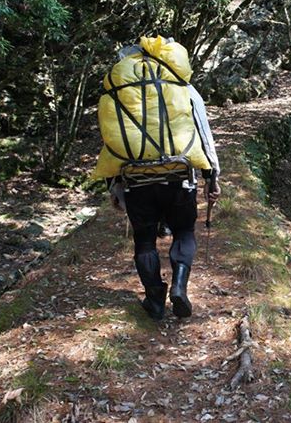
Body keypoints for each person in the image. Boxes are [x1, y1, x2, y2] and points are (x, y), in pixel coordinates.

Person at [92, 36, 221, 320]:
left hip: (136, 181)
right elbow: (203, 132)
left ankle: (155, 299)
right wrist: (212, 176)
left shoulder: (121, 92)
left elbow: (111, 138)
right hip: (179, 177)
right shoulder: (182, 87)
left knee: (144, 240)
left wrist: (113, 187)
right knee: (184, 232)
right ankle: (179, 287)